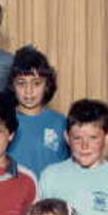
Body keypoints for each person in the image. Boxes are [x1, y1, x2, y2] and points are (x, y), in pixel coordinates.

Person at [6, 46, 69, 178]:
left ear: (47, 85)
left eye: (36, 83)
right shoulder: (3, 121)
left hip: (50, 196)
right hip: (14, 194)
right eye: (21, 83)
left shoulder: (61, 122)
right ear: (12, 85)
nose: (28, 91)